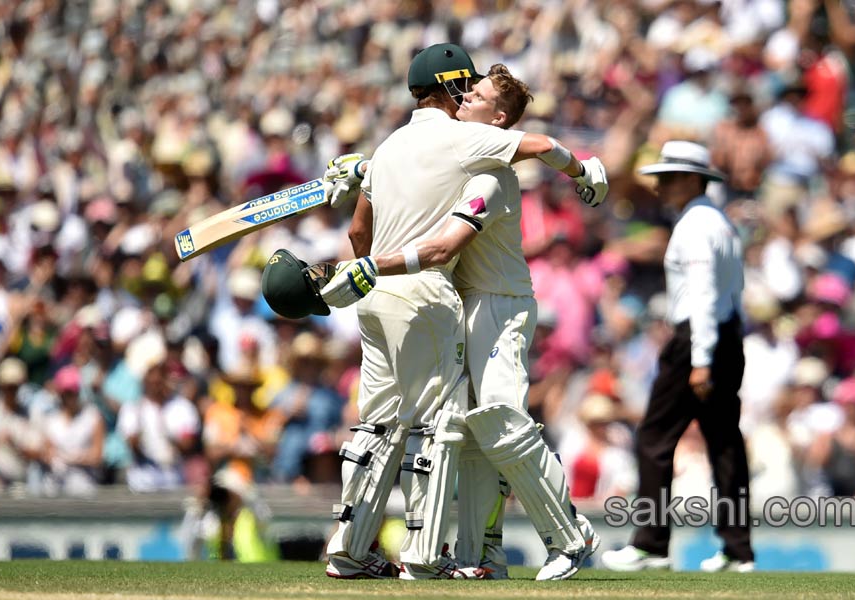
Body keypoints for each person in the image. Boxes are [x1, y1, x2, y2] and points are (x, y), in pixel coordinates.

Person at [306, 43, 606, 580]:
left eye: (479, 94)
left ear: (497, 119)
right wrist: (367, 172)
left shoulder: (481, 162)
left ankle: (568, 534)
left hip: (498, 302)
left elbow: (438, 244)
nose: (467, 95)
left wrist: (583, 171)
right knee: (458, 429)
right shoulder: (450, 148)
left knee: (492, 419)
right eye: (464, 87)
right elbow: (428, 180)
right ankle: (476, 554)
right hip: (446, 301)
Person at [602, 141, 754, 573]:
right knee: (724, 442)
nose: (660, 186)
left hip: (696, 341)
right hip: (724, 335)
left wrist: (701, 357)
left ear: (692, 178)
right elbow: (731, 293)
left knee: (654, 438)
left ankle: (651, 544)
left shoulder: (695, 225)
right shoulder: (720, 222)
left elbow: (703, 294)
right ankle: (737, 550)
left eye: (669, 178)